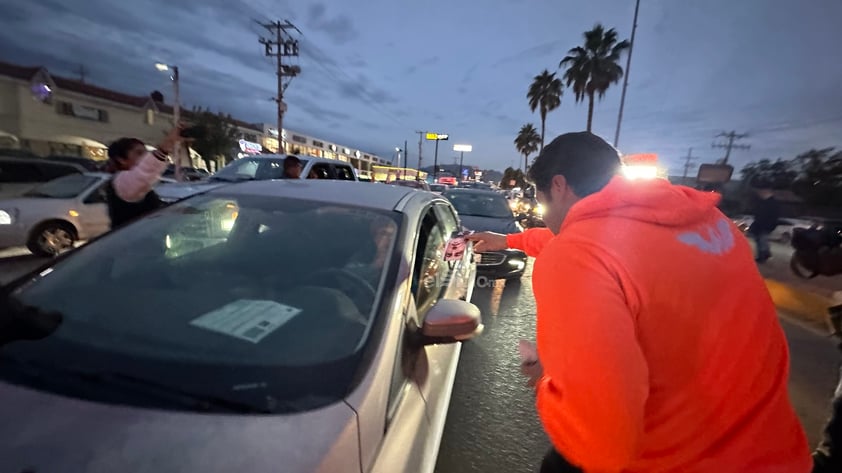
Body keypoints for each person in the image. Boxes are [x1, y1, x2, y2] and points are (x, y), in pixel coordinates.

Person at [466, 132, 812, 472]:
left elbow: (601, 446)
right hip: (777, 452)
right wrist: (510, 239)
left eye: (541, 203)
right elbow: (606, 242)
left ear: (559, 186)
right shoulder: (709, 223)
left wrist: (547, 382)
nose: (543, 215)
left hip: (673, 459)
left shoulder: (578, 256)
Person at [104, 126, 181, 229]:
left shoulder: (136, 185)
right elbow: (145, 172)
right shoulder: (121, 182)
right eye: (139, 153)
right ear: (121, 160)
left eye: (146, 153)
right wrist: (166, 146)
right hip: (130, 242)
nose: (145, 157)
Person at [748, 180, 781, 263]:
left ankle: (763, 256)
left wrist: (766, 224)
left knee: (762, 240)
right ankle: (765, 254)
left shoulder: (771, 203)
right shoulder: (764, 202)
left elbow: (771, 216)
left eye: (761, 192)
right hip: (761, 224)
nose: (759, 193)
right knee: (760, 239)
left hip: (765, 225)